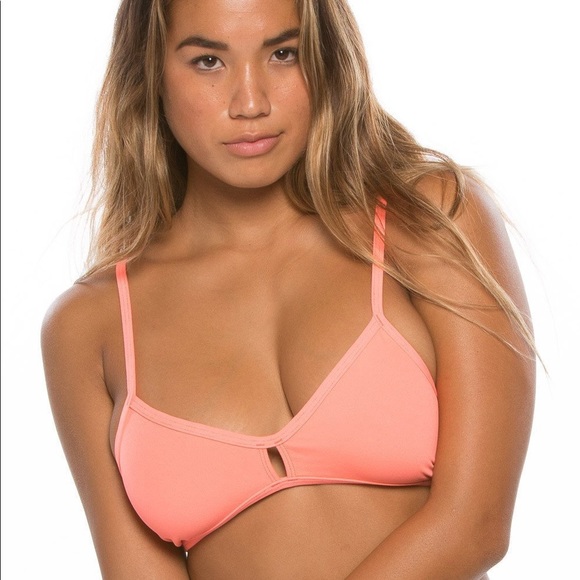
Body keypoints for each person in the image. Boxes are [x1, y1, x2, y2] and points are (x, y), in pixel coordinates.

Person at [41, 0, 536, 578]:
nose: (251, 103)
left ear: (326, 57)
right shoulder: (90, 325)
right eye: (208, 61)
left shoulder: (430, 219)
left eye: (283, 53)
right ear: (148, 72)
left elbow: (476, 523)